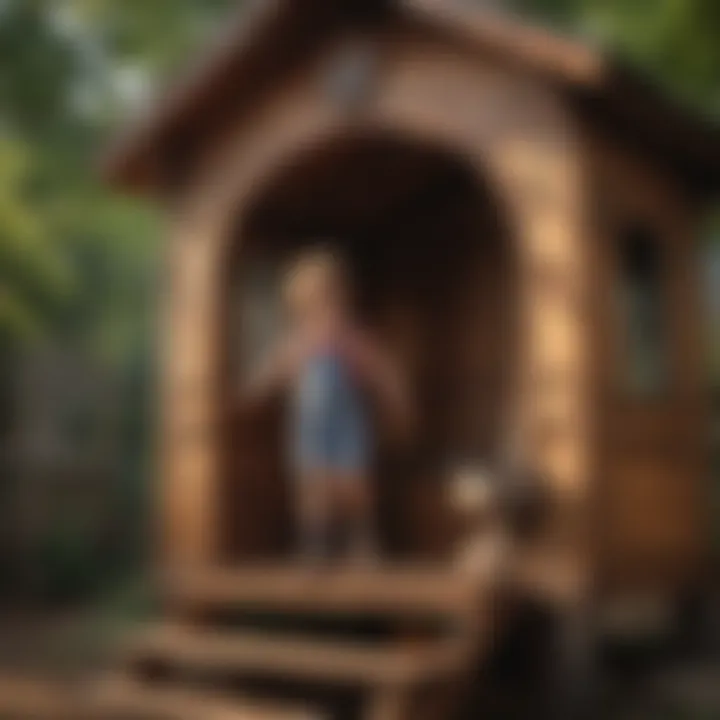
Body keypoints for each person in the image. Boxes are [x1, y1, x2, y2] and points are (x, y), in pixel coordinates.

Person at [242, 246, 412, 563]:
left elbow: (382, 371)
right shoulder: (298, 342)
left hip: (347, 423)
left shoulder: (350, 340)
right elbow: (274, 370)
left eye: (330, 300)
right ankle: (315, 547)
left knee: (355, 486)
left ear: (344, 300)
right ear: (298, 307)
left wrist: (397, 401)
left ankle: (362, 544)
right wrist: (254, 390)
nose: (324, 310)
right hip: (310, 426)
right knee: (312, 488)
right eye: (312, 303)